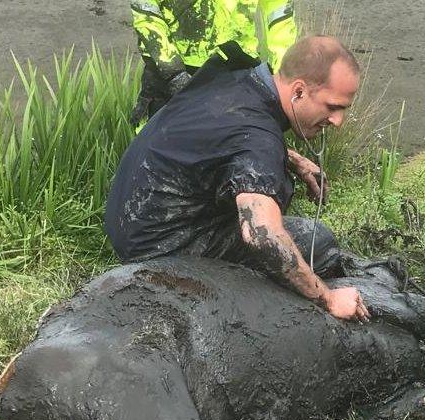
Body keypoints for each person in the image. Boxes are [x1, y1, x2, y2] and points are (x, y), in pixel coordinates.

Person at [105, 35, 370, 322]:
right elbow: (263, 236)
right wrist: (328, 298)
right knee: (318, 244)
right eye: (332, 107)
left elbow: (223, 134)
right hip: (160, 249)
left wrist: (290, 158)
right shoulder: (258, 142)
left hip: (130, 221)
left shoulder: (237, 80)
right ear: (298, 92)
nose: (338, 121)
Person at [129, 0, 297, 125]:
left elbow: (280, 17)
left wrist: (284, 80)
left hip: (237, 69)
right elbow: (146, 10)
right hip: (170, 72)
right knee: (159, 155)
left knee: (237, 151)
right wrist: (173, 72)